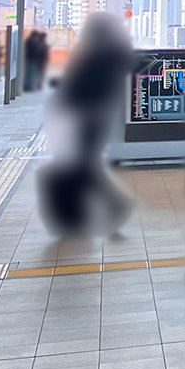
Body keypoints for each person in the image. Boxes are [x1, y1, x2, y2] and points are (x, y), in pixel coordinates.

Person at [37, 13, 135, 238]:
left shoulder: (99, 56)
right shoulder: (112, 54)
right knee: (84, 165)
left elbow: (82, 86)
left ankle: (112, 206)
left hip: (86, 118)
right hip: (96, 118)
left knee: (83, 166)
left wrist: (65, 89)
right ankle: (101, 209)